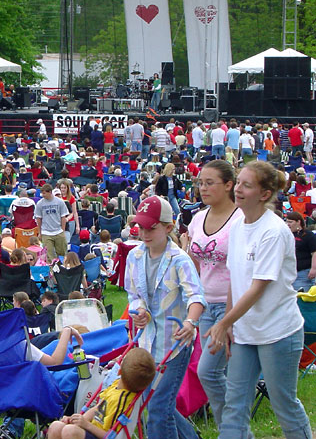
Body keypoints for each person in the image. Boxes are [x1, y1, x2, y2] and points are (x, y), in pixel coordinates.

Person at [205, 162, 312, 439]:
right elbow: (235, 278)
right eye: (238, 182)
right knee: (234, 406)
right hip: (245, 332)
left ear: (264, 194)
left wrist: (223, 322)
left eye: (246, 185)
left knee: (283, 404)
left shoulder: (273, 231)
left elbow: (257, 288)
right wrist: (228, 323)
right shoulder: (239, 225)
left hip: (278, 331)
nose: (238, 189)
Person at [125, 195, 204, 439]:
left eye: (152, 227)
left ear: (169, 227)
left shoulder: (180, 260)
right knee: (155, 402)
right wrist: (139, 311)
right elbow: (133, 293)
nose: (145, 233)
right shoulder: (135, 256)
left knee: (159, 406)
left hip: (176, 343)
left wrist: (191, 323)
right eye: (141, 227)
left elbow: (196, 297)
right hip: (148, 342)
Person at [180, 160, 241, 427]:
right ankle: (231, 427)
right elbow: (193, 259)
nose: (202, 188)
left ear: (229, 185)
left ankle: (233, 427)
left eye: (209, 183)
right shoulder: (198, 219)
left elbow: (242, 268)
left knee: (211, 372)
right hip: (206, 304)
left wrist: (229, 315)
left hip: (234, 305)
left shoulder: (241, 219)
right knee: (212, 373)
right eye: (200, 183)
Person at [46, 348, 156, 439]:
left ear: (119, 371)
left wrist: (86, 425)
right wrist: (78, 420)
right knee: (56, 426)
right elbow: (98, 408)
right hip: (90, 429)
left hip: (100, 434)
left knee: (70, 432)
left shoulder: (123, 402)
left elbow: (113, 436)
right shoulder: (116, 385)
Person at [35, 184, 69, 263]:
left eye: (44, 193)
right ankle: (51, 271)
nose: (43, 195)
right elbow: (39, 219)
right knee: (49, 255)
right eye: (42, 193)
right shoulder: (40, 204)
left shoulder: (59, 202)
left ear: (50, 192)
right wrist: (40, 232)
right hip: (46, 232)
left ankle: (62, 269)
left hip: (58, 231)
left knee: (62, 253)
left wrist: (62, 231)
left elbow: (63, 217)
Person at [285, 211, 316, 292]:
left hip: (304, 272)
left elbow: (314, 252)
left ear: (298, 222)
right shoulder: (286, 234)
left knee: (301, 299)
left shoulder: (308, 235)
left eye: (290, 222)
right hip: (289, 273)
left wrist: (313, 268)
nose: (288, 224)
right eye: (287, 221)